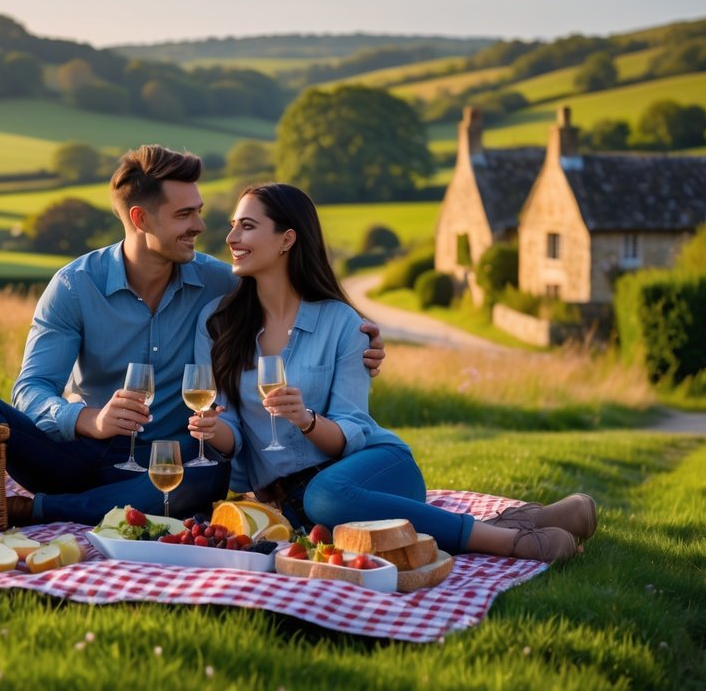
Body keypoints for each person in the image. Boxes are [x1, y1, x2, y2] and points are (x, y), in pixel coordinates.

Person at [0, 146, 386, 527]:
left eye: (199, 212)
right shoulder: (75, 286)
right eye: (184, 214)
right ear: (141, 218)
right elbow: (30, 390)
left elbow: (291, 297)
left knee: (209, 474)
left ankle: (41, 511)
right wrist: (89, 420)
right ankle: (77, 504)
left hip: (161, 467)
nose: (200, 226)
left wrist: (360, 340)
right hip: (72, 456)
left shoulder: (220, 284)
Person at [190, 183, 596, 563]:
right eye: (232, 227)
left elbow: (353, 429)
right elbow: (234, 434)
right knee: (320, 505)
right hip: (292, 507)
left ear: (287, 239)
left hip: (375, 471)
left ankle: (513, 542)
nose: (231, 238)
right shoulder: (217, 324)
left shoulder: (343, 324)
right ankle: (526, 521)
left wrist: (306, 420)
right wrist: (211, 428)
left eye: (247, 226)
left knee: (326, 496)